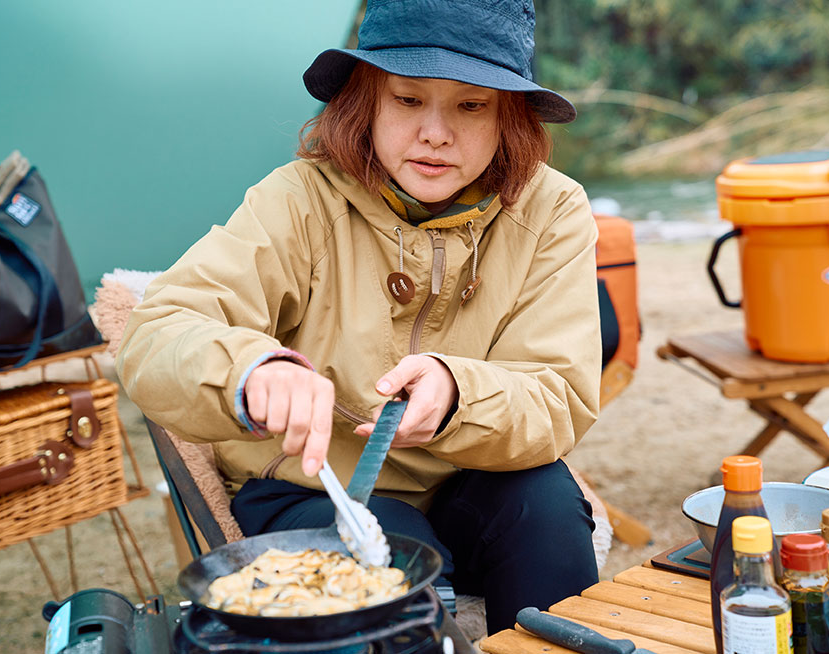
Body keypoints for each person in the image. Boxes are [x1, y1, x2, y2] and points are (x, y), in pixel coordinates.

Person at [117, 0, 601, 634]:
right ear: (364, 99)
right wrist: (253, 370)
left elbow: (558, 393)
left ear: (509, 116)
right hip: (314, 487)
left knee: (547, 507)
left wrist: (458, 393)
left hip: (471, 474)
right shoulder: (297, 199)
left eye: (471, 105)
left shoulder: (553, 211)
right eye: (407, 100)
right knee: (388, 557)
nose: (435, 132)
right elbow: (159, 331)